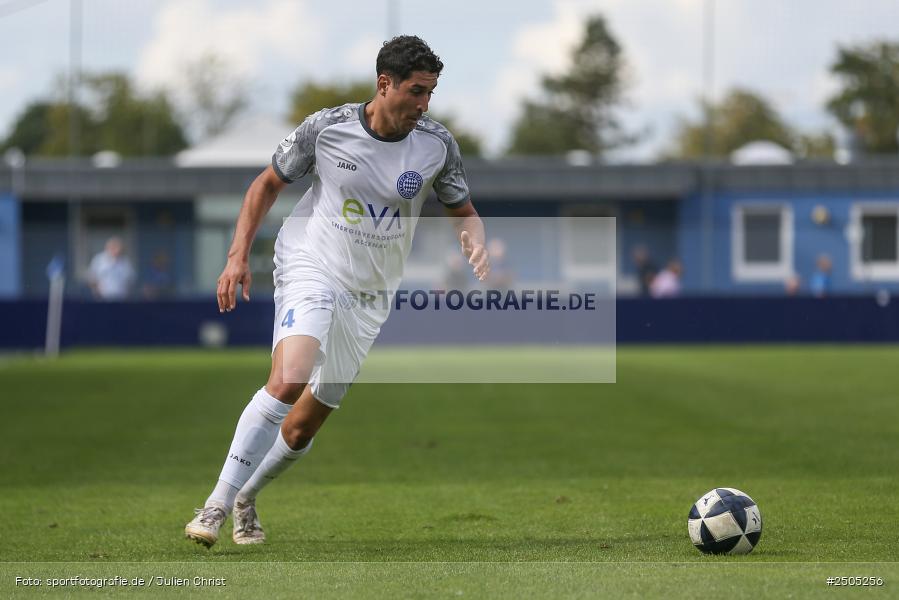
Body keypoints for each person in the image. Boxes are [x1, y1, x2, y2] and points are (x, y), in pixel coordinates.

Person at [184, 36, 489, 548]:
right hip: (311, 263)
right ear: (384, 83)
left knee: (304, 426)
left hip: (370, 294)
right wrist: (237, 256)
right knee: (289, 378)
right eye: (416, 90)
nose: (424, 104)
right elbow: (265, 186)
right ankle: (214, 504)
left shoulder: (437, 145)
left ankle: (246, 498)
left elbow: (465, 212)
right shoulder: (328, 129)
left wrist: (475, 242)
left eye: (431, 92)